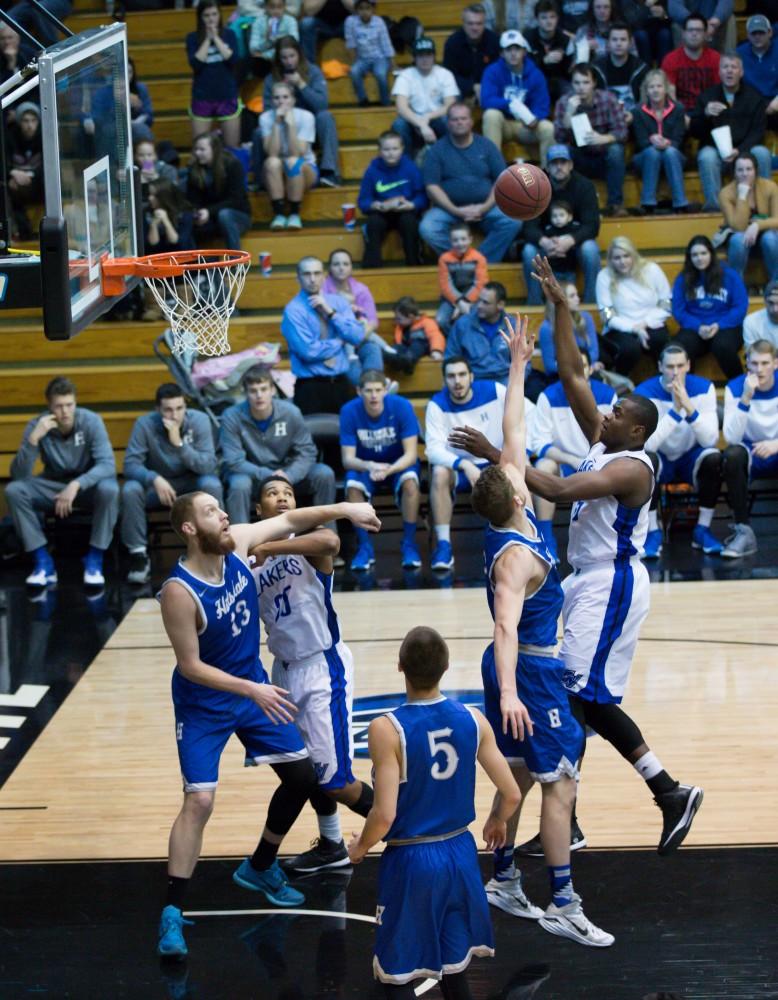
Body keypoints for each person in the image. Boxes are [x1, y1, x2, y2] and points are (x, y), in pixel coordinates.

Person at [522, 256, 704, 856]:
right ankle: (666, 791)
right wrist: (562, 308)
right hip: (588, 581)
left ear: (636, 432)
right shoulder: (608, 443)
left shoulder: (630, 467)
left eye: (618, 413)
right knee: (580, 696)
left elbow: (555, 489)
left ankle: (573, 817)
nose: (606, 414)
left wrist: (497, 452)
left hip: (614, 582)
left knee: (575, 697)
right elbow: (574, 376)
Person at [155, 489, 380, 958]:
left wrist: (345, 509)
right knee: (199, 800)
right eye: (211, 512)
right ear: (190, 529)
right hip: (206, 704)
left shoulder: (237, 543)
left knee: (303, 775)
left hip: (257, 685)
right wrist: (251, 688)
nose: (223, 515)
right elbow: (191, 666)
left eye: (221, 507)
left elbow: (297, 519)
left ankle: (260, 865)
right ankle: (172, 913)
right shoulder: (178, 592)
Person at [468, 314, 612, 947]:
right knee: (561, 782)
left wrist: (520, 361)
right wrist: (508, 694)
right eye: (513, 469)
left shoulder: (513, 505)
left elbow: (513, 428)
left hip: (524, 667)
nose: (516, 463)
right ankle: (562, 900)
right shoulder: (515, 557)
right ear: (517, 495)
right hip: (525, 669)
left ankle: (501, 877)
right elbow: (503, 627)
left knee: (521, 775)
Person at [347, 625, 523, 995]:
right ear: (446, 667)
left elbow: (384, 815)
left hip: (412, 860)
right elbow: (511, 793)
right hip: (460, 855)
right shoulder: (473, 720)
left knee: (396, 975)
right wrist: (496, 819)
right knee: (455, 969)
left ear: (400, 666)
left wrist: (360, 848)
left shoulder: (386, 729)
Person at [250, 477, 377, 873]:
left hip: (322, 667)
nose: (281, 497)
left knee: (335, 781)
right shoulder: (248, 562)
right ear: (258, 510)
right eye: (272, 493)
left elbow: (332, 544)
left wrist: (269, 546)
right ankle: (332, 844)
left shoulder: (308, 540)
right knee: (307, 768)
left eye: (287, 492)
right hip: (283, 672)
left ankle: (409, 826)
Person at [6, 376, 119, 588]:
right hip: (53, 486)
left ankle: (95, 558)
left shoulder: (91, 421)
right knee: (15, 490)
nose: (65, 411)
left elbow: (107, 465)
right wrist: (33, 440)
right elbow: (19, 475)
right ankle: (42, 562)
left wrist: (76, 485)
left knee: (110, 489)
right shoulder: (37, 425)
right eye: (59, 406)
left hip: (86, 487)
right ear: (49, 406)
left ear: (75, 403)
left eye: (69, 405)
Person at [121, 383, 222, 586]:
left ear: (185, 406)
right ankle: (139, 556)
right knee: (130, 489)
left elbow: (208, 465)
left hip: (192, 483)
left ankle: (216, 546)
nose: (174, 415)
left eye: (179, 408)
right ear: (158, 410)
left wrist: (180, 445)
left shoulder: (199, 420)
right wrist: (154, 479)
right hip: (159, 487)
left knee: (211, 483)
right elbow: (130, 465)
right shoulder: (145, 424)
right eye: (168, 409)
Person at [634, 343, 724, 558]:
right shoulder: (645, 392)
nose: (675, 372)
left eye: (680, 366)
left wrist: (689, 408)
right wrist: (676, 411)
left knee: (714, 458)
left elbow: (709, 439)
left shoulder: (703, 388)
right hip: (662, 456)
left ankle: (702, 529)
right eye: (670, 366)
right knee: (646, 459)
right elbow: (648, 445)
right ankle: (653, 532)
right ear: (660, 367)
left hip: (690, 455)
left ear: (688, 366)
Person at [220, 365, 337, 524]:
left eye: (263, 389)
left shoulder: (291, 412)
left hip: (287, 472)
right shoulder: (231, 416)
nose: (259, 395)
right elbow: (233, 461)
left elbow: (307, 452)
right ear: (246, 393)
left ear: (273, 390)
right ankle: (239, 542)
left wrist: (289, 475)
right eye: (253, 391)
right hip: (253, 476)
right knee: (239, 484)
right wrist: (268, 475)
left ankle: (327, 536)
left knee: (324, 473)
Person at [531, 348, 616, 561]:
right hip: (565, 461)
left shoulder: (607, 394)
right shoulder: (548, 396)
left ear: (590, 369)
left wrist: (592, 460)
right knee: (543, 466)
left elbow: (616, 437)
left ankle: (610, 540)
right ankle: (545, 537)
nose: (578, 371)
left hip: (599, 461)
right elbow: (539, 443)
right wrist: (572, 459)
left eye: (583, 366)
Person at [425, 357, 507, 570]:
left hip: (495, 462)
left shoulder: (495, 391)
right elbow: (433, 450)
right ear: (445, 380)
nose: (457, 381)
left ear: (471, 376)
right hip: (460, 469)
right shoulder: (437, 404)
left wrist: (510, 454)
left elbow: (527, 414)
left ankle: (515, 542)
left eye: (462, 375)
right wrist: (463, 464)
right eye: (451, 376)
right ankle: (443, 545)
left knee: (517, 467)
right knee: (439, 473)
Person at [420, 102, 521, 264]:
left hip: (487, 208)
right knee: (428, 227)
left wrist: (484, 208)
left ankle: (479, 261)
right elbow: (432, 186)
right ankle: (458, 260)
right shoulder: (437, 150)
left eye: (463, 118)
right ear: (448, 123)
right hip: (449, 210)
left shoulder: (487, 146)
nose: (459, 122)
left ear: (471, 122)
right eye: (454, 119)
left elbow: (502, 180)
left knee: (513, 220)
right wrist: (456, 210)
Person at [340, 371, 422, 570]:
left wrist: (390, 469)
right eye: (368, 391)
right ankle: (364, 547)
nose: (374, 395)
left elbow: (411, 454)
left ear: (386, 390)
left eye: (378, 390)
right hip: (365, 464)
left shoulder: (401, 406)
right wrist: (370, 466)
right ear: (359, 392)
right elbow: (348, 459)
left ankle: (409, 544)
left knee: (411, 483)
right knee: (352, 487)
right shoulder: (349, 411)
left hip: (397, 463)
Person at [281, 255, 367, 415]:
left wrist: (331, 313)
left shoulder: (338, 303)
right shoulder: (293, 310)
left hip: (341, 383)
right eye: (307, 274)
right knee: (313, 438)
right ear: (298, 278)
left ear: (324, 276)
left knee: (346, 439)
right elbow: (309, 352)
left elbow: (357, 336)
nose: (312, 279)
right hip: (311, 388)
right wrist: (340, 342)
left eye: (317, 273)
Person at [690, 52, 772, 214]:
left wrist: (739, 151)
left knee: (762, 153)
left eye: (734, 67)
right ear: (719, 72)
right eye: (725, 67)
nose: (729, 71)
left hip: (745, 150)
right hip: (715, 150)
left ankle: (763, 205)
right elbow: (695, 132)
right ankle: (715, 207)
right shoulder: (707, 97)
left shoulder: (754, 97)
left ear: (741, 72)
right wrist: (705, 114)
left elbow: (758, 131)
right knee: (706, 156)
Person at [255, 36, 342, 188]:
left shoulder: (312, 71)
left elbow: (322, 104)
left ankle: (330, 172)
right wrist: (281, 111)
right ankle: (260, 179)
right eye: (284, 57)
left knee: (326, 117)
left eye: (292, 56)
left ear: (299, 55)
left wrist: (301, 84)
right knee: (258, 132)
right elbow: (267, 111)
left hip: (308, 122)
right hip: (281, 123)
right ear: (278, 58)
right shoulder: (272, 78)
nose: (288, 61)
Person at [521, 144, 601, 305]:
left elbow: (592, 225)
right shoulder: (536, 188)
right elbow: (528, 226)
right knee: (529, 251)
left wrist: (569, 240)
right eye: (554, 163)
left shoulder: (585, 186)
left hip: (574, 241)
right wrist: (545, 241)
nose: (559, 167)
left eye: (563, 162)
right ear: (547, 167)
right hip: (546, 241)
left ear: (570, 165)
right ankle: (534, 304)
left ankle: (591, 303)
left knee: (591, 249)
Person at [720, 339, 778, 557]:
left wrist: (776, 444)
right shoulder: (735, 388)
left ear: (776, 364)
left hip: (776, 447)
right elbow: (731, 438)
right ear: (748, 365)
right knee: (732, 455)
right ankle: (744, 532)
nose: (759, 369)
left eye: (765, 363)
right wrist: (746, 398)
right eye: (754, 363)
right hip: (750, 452)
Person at [553, 62, 629, 217]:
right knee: (562, 153)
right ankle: (567, 205)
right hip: (579, 158)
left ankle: (615, 204)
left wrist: (604, 138)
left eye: (586, 82)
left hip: (603, 155)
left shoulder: (607, 99)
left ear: (594, 83)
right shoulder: (564, 102)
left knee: (616, 150)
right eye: (577, 83)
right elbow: (559, 138)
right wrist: (569, 113)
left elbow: (622, 131)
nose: (581, 87)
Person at [671, 234, 748, 378]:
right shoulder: (683, 278)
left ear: (711, 254)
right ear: (689, 257)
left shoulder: (730, 275)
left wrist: (719, 325)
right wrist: (697, 326)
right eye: (694, 255)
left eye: (703, 253)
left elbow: (740, 306)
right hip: (695, 328)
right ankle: (685, 389)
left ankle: (740, 386)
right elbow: (678, 310)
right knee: (681, 347)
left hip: (726, 326)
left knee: (723, 346)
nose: (699, 258)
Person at [596, 237, 671, 376]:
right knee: (630, 348)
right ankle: (621, 384)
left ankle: (666, 380)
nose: (622, 261)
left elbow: (666, 303)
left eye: (626, 256)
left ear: (633, 255)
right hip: (620, 328)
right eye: (617, 258)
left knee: (659, 341)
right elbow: (608, 316)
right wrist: (634, 328)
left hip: (651, 323)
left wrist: (645, 323)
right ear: (611, 260)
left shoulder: (652, 269)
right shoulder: (604, 276)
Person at [480, 28, 554, 167]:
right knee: (490, 115)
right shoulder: (492, 71)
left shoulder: (535, 74)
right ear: (502, 53)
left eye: (517, 49)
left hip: (527, 127)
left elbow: (543, 106)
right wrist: (510, 104)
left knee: (548, 128)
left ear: (524, 51)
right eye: (508, 50)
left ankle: (548, 174)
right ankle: (493, 171)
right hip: (504, 124)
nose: (513, 54)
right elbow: (486, 100)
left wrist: (535, 118)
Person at [357, 130, 426, 269]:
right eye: (386, 149)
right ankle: (373, 266)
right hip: (382, 212)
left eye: (395, 149)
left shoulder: (411, 168)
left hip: (405, 211)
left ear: (402, 149)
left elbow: (422, 196)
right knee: (373, 223)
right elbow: (363, 201)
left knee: (409, 222)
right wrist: (374, 205)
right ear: (380, 151)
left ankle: (414, 264)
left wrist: (412, 205)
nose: (391, 153)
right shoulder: (372, 170)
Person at [631, 69, 692, 216]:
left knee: (670, 152)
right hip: (645, 157)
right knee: (653, 152)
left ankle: (680, 203)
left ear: (666, 89)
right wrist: (651, 140)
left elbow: (679, 140)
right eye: (651, 87)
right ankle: (648, 203)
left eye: (659, 86)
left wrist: (667, 142)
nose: (655, 90)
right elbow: (640, 142)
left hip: (674, 156)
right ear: (646, 90)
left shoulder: (678, 109)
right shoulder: (638, 111)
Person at [260, 81, 318, 231]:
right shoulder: (266, 118)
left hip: (305, 168)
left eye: (285, 97)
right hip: (278, 172)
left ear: (293, 99)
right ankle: (279, 214)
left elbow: (297, 153)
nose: (281, 102)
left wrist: (291, 125)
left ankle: (294, 214)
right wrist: (277, 124)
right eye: (277, 98)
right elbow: (271, 153)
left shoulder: (306, 117)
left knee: (293, 162)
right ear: (272, 100)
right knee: (272, 162)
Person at [323, 248, 388, 381]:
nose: (341, 268)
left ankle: (376, 385)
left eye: (345, 264)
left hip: (360, 337)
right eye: (336, 264)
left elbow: (372, 322)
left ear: (351, 267)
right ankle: (368, 388)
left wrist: (357, 337)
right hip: (335, 340)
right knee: (347, 358)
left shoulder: (361, 289)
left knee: (373, 349)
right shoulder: (321, 289)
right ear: (330, 268)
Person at [390, 36, 459, 158]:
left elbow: (450, 105)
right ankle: (406, 164)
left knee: (449, 120)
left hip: (436, 117)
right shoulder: (405, 75)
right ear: (414, 58)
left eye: (428, 55)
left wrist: (428, 117)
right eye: (420, 55)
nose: (425, 59)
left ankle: (451, 160)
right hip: (413, 119)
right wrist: (422, 124)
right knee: (399, 125)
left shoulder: (445, 74)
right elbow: (402, 107)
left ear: (434, 56)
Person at [186, 0, 241, 148]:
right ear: (200, 17)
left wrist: (216, 38)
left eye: (214, 14)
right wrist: (207, 40)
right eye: (206, 15)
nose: (211, 19)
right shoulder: (192, 38)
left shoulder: (230, 35)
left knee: (232, 148)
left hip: (227, 95)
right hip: (202, 96)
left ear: (220, 15)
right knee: (200, 147)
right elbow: (196, 64)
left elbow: (233, 59)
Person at [186, 133, 251, 251]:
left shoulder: (232, 164)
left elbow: (236, 200)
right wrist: (197, 213)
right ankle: (197, 266)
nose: (197, 153)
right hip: (210, 217)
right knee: (187, 219)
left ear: (214, 150)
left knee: (224, 215)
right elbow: (192, 199)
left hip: (237, 216)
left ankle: (235, 263)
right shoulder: (194, 168)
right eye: (196, 149)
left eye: (202, 149)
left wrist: (209, 211)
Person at [719, 152, 778, 282]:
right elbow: (738, 227)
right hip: (739, 235)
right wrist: (742, 195)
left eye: (748, 169)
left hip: (766, 233)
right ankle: (737, 286)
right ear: (734, 172)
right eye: (740, 170)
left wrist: (758, 225)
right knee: (738, 240)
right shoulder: (725, 193)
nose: (744, 174)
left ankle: (776, 285)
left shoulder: (771, 187)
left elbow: (777, 219)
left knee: (770, 238)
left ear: (755, 171)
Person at [445, 281, 513, 386]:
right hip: (473, 383)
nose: (479, 306)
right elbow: (450, 358)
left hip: (505, 382)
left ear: (500, 305)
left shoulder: (513, 326)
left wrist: (513, 385)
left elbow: (524, 362)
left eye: (485, 302)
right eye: (479, 300)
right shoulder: (462, 325)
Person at [538, 280, 602, 382]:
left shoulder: (586, 318)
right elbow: (550, 365)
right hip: (560, 376)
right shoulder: (546, 328)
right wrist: (583, 366)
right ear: (560, 300)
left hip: (586, 372)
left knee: (596, 379)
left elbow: (594, 352)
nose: (578, 299)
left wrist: (587, 366)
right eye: (572, 296)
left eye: (577, 295)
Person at [436, 222, 490, 333]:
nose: (460, 243)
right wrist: (459, 302)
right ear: (450, 241)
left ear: (470, 239)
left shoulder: (479, 258)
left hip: (473, 298)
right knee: (440, 320)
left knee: (474, 319)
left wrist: (466, 301)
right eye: (455, 240)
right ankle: (455, 342)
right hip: (451, 299)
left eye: (463, 239)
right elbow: (445, 284)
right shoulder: (444, 259)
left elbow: (480, 283)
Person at [660, 14, 720, 113]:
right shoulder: (671, 59)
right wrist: (679, 115)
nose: (694, 34)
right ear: (683, 33)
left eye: (699, 30)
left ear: (705, 34)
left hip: (709, 110)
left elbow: (719, 91)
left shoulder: (716, 58)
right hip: (681, 112)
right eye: (690, 30)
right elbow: (670, 94)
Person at [443, 2, 501, 102]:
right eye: (470, 23)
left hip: (490, 87)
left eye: (479, 23)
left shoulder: (494, 41)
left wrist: (484, 87)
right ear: (463, 23)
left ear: (484, 23)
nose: (475, 28)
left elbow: (500, 71)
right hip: (461, 90)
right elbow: (449, 75)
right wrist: (472, 87)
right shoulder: (452, 43)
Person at [592, 23, 648, 124]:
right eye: (614, 39)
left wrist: (634, 114)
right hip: (605, 119)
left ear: (630, 43)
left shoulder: (641, 68)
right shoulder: (596, 68)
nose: (618, 43)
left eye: (623, 39)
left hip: (634, 118)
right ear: (608, 43)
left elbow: (646, 101)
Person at [344, 0, 394, 106]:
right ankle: (363, 99)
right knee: (354, 71)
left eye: (368, 8)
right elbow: (351, 43)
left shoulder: (379, 22)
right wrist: (354, 62)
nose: (364, 12)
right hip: (362, 58)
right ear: (356, 10)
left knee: (380, 74)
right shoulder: (350, 22)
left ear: (373, 9)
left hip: (379, 58)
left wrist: (391, 63)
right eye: (361, 9)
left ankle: (385, 101)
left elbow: (386, 43)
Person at [524, 0, 575, 102]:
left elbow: (569, 73)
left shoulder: (566, 40)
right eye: (544, 17)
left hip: (559, 80)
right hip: (534, 80)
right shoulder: (527, 38)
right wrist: (544, 61)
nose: (549, 21)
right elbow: (525, 70)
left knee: (572, 94)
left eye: (552, 17)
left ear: (557, 19)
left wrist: (567, 61)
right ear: (537, 20)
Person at [6, 101, 42, 241]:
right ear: (19, 122)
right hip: (16, 185)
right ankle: (22, 232)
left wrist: (29, 175)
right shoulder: (9, 138)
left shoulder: (44, 137)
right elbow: (2, 163)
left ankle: (41, 231)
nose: (30, 125)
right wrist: (12, 173)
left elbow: (48, 168)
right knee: (10, 187)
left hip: (38, 183)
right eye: (25, 121)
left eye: (33, 121)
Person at [737, 15, 778, 131]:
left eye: (761, 33)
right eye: (753, 33)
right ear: (747, 35)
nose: (757, 37)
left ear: (770, 33)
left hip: (775, 100)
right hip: (750, 104)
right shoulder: (739, 53)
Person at [390, 296, 446, 373]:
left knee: (418, 343)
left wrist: (436, 351)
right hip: (407, 349)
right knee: (396, 348)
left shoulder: (427, 322)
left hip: (422, 348)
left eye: (399, 319)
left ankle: (408, 361)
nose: (396, 321)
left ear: (411, 317)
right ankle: (392, 359)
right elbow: (399, 342)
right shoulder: (400, 327)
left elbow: (435, 335)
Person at [248, 0, 299, 78]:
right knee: (254, 62)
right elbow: (253, 48)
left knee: (288, 57)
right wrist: (268, 41)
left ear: (284, 7)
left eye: (279, 7)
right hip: (264, 63)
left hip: (284, 58)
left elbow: (294, 43)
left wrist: (266, 55)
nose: (276, 11)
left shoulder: (290, 21)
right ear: (266, 7)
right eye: (272, 7)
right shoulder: (258, 22)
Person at [145, 180, 195, 255]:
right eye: (149, 194)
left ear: (164, 197)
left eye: (154, 195)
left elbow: (178, 244)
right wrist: (154, 225)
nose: (150, 198)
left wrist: (166, 221)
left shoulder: (185, 214)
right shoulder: (147, 213)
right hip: (158, 260)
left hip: (183, 259)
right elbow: (151, 246)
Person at [667, 0, 735, 52]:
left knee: (730, 19)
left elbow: (726, 3)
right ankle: (682, 63)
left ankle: (728, 61)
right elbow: (674, 6)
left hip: (713, 22)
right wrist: (697, 23)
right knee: (677, 23)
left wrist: (716, 19)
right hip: (689, 21)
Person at [620, 0, 673, 67]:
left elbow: (670, 17)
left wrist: (664, 14)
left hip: (658, 32)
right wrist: (647, 7)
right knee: (641, 35)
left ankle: (664, 71)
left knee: (665, 34)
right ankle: (646, 71)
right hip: (638, 33)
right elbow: (633, 20)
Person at [744, 279, 778, 350]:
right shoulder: (751, 322)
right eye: (771, 303)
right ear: (764, 302)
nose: (775, 309)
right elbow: (753, 355)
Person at [127, 57, 154, 144]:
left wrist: (139, 107)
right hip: (116, 129)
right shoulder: (108, 91)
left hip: (137, 126)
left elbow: (149, 117)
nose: (127, 76)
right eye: (124, 72)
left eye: (130, 72)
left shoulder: (140, 88)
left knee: (142, 129)